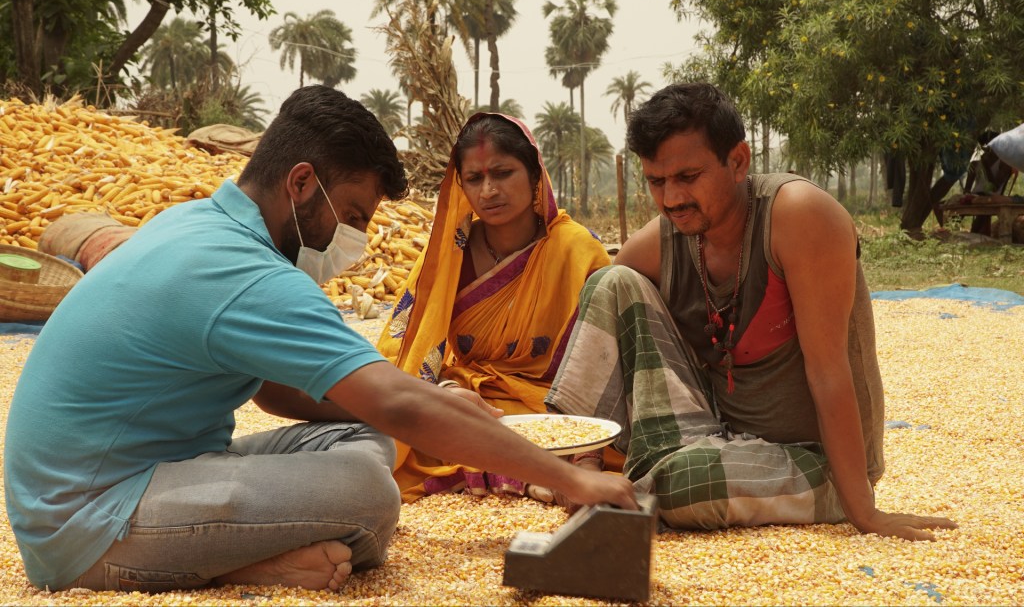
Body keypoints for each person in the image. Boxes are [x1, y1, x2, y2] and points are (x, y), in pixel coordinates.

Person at [3, 87, 637, 594]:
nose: (354, 240)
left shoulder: (198, 223)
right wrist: (572, 480)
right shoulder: (247, 273)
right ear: (302, 184)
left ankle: (231, 550)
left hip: (145, 472)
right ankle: (228, 565)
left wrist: (432, 412)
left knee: (368, 437)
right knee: (365, 496)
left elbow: (282, 394)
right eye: (354, 217)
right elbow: (396, 400)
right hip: (84, 519)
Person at [545, 82, 957, 541]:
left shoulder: (798, 217)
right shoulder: (665, 239)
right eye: (656, 182)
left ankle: (642, 490)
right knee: (610, 281)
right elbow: (608, 333)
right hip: (711, 435)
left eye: (688, 176)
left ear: (738, 161)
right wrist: (585, 467)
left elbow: (829, 373)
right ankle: (585, 477)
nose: (671, 198)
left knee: (689, 483)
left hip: (813, 460)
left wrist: (864, 512)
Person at [377, 112, 613, 502]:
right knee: (410, 431)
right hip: (474, 403)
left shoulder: (576, 250)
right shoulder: (449, 252)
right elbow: (405, 343)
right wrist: (445, 389)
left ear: (535, 175)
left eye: (502, 173)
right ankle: (529, 470)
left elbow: (603, 356)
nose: (488, 190)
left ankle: (531, 465)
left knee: (587, 435)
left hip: (552, 403)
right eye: (474, 178)